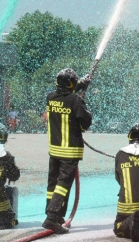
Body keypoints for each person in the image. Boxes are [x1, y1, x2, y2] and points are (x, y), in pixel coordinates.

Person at [42, 68, 92, 234]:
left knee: (53, 183)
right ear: (72, 83)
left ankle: (52, 213)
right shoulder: (76, 101)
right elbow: (85, 123)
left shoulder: (50, 98)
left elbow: (64, 96)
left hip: (54, 149)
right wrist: (86, 110)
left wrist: (80, 85)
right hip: (70, 151)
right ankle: (52, 216)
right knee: (63, 184)